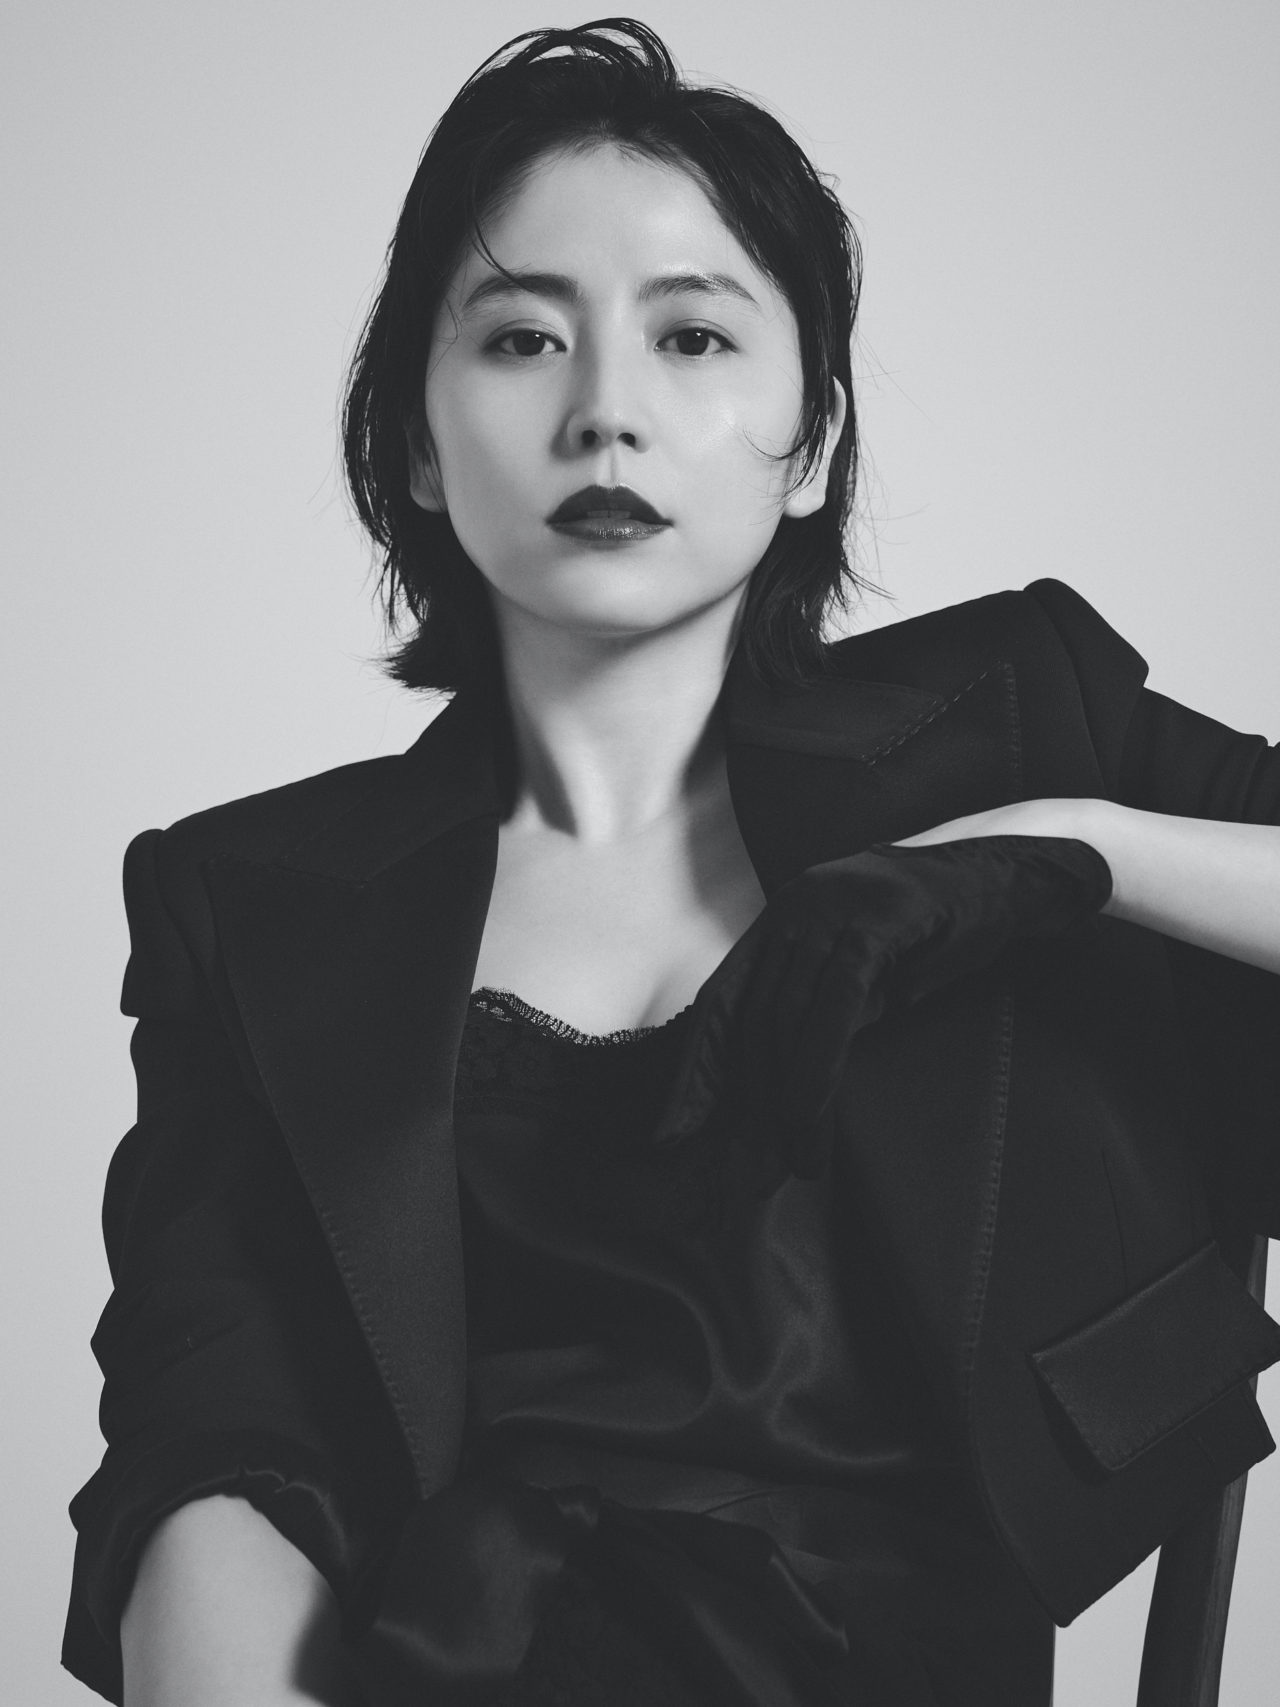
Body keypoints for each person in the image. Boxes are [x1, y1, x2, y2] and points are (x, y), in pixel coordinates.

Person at [62, 19, 1280, 1707]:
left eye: (693, 335)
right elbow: (212, 1427)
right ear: (415, 444)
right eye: (521, 338)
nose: (606, 414)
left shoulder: (1021, 719)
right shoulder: (250, 899)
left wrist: (1066, 848)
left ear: (815, 442)